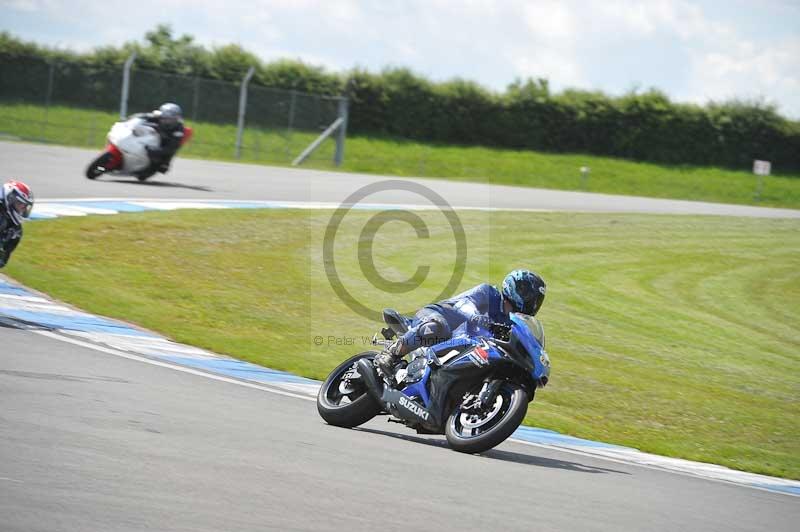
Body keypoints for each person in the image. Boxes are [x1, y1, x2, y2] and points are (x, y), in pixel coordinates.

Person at [375, 269, 547, 378]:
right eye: (530, 296)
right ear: (517, 288)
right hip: (437, 317)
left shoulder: (510, 323)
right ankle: (391, 354)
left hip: (461, 347)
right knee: (438, 327)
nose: (533, 303)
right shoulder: (490, 293)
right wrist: (478, 318)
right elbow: (464, 305)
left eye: (537, 300)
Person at [133, 102, 190, 179]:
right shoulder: (157, 117)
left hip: (163, 146)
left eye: (170, 119)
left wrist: (153, 151)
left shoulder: (179, 130)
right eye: (164, 118)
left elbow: (170, 148)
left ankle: (164, 163)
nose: (166, 121)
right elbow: (141, 116)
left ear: (177, 118)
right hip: (148, 138)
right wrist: (133, 119)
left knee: (159, 162)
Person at [0, 180, 34, 268]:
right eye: (19, 203)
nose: (22, 209)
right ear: (9, 198)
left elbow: (2, 261)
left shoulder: (16, 231)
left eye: (24, 206)